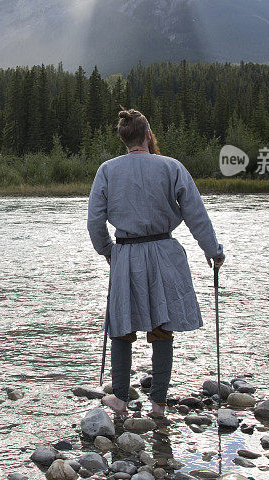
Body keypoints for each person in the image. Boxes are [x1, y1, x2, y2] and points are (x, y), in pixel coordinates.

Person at [87, 109, 225, 417]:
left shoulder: (107, 170)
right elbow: (195, 214)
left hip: (125, 253)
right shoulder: (171, 167)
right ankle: (159, 404)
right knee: (162, 326)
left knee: (121, 325)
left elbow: (95, 220)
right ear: (148, 136)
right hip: (164, 251)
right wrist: (213, 250)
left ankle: (120, 399)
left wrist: (108, 251)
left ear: (124, 139)